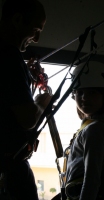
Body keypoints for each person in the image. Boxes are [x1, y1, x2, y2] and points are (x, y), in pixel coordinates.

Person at [0, 0, 51, 199]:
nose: (37, 38)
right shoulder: (9, 55)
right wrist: (43, 101)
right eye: (36, 29)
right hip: (9, 168)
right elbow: (28, 118)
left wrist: (25, 77)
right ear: (18, 19)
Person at [63, 61, 104, 200]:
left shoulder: (95, 130)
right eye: (80, 92)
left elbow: (91, 180)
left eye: (92, 93)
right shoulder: (95, 126)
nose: (84, 98)